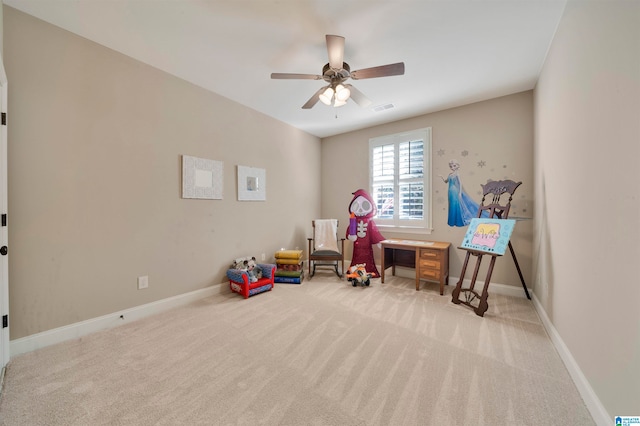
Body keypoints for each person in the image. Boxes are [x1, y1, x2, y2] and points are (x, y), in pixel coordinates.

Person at [439, 160, 486, 227]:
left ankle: (458, 221)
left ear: (457, 166)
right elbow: (446, 181)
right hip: (450, 192)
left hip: (455, 191)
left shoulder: (457, 174)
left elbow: (460, 183)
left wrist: (460, 192)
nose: (452, 167)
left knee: (456, 205)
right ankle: (452, 221)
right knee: (452, 205)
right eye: (451, 166)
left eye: (454, 166)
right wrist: (441, 177)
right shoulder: (450, 174)